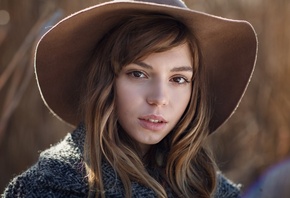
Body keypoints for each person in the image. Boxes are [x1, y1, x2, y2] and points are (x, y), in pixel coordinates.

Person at [2, 0, 258, 197]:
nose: (159, 98)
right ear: (106, 82)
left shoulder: (211, 188)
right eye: (138, 74)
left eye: (178, 79)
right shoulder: (43, 188)